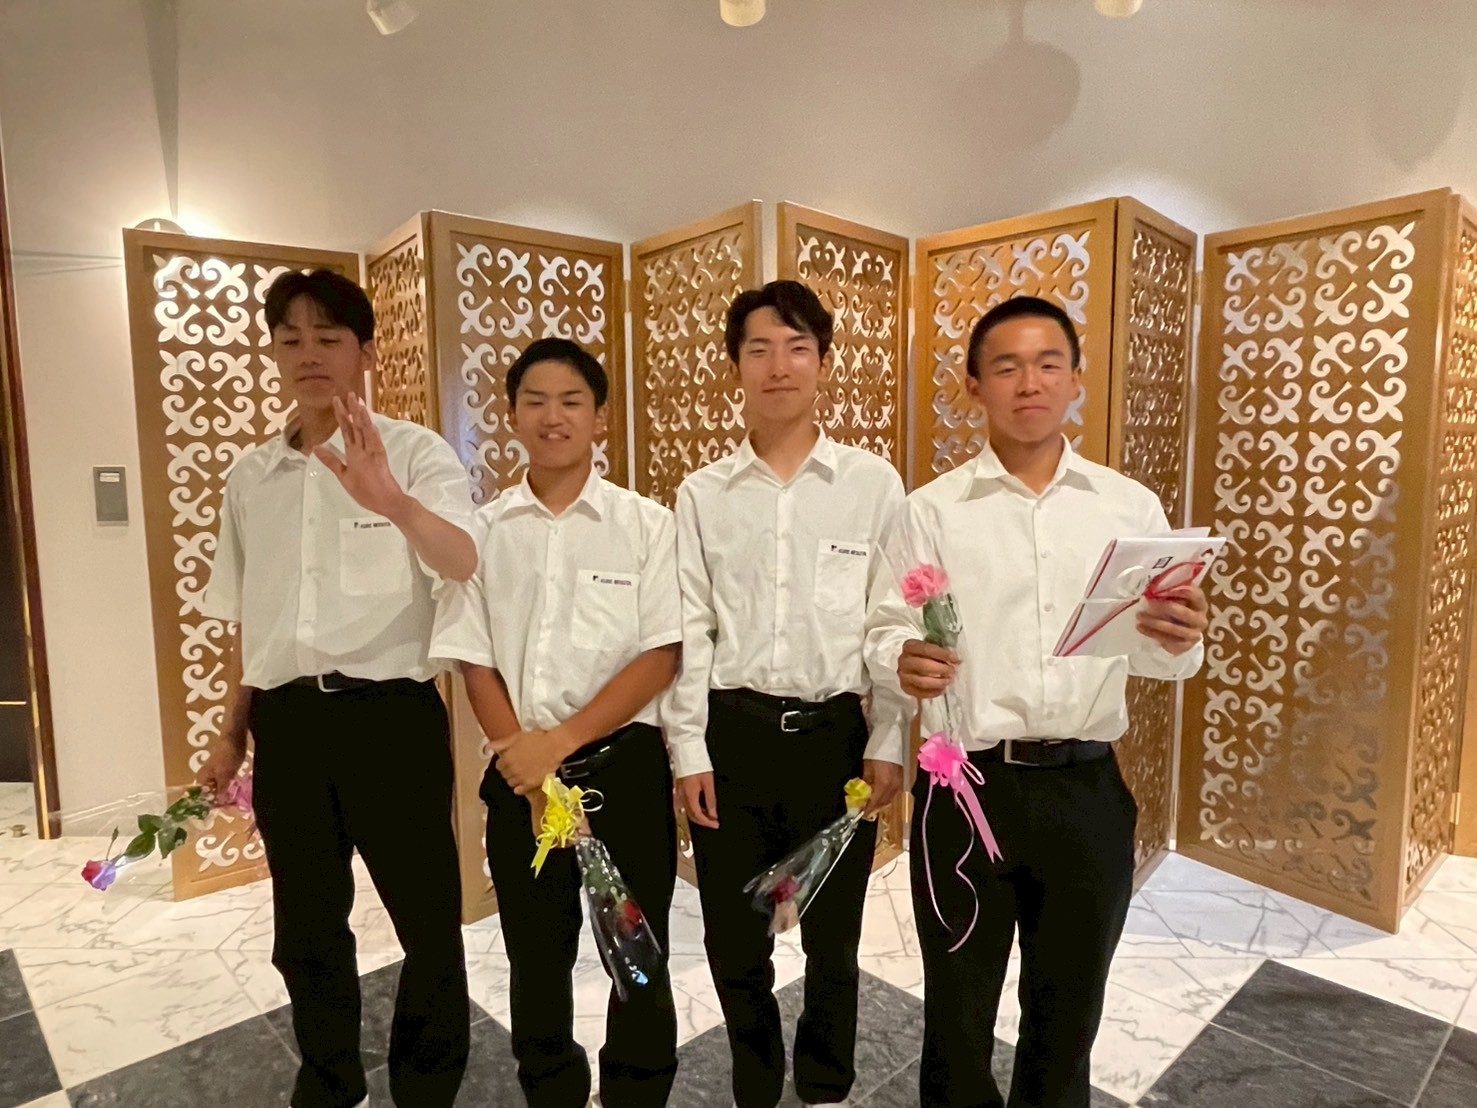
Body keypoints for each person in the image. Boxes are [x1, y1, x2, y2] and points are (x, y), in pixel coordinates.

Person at [865, 295, 1209, 1108]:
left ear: (1076, 379)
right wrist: (899, 658)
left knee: (1067, 1013)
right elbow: (883, 628)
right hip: (964, 792)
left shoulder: (1127, 507)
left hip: (1085, 790)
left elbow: (1162, 660)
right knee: (956, 1012)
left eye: (1048, 363)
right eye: (1007, 366)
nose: (1029, 383)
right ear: (973, 385)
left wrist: (1180, 637)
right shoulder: (930, 510)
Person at [199, 269, 476, 1108]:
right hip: (287, 723)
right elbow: (248, 617)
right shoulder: (251, 477)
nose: (308, 354)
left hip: (388, 718)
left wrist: (390, 499)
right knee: (306, 927)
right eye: (290, 339)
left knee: (427, 923)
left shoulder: (416, 454)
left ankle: (427, 1085)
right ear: (274, 351)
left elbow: (464, 562)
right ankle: (328, 1076)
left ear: (366, 352)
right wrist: (231, 730)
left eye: (328, 337)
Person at [666, 280, 909, 1108]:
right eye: (760, 349)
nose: (779, 366)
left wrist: (889, 741)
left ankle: (826, 1083)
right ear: (733, 365)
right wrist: (687, 751)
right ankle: (755, 1078)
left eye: (797, 348)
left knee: (833, 941)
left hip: (835, 739)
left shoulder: (872, 485)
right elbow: (691, 629)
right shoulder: (702, 493)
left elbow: (889, 620)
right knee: (736, 940)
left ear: (823, 363)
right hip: (732, 738)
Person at [431, 338, 682, 1108]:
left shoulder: (646, 525)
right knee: (536, 961)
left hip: (623, 774)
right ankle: (551, 1089)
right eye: (535, 401)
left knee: (635, 954)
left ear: (599, 417)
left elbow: (661, 653)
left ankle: (637, 1090)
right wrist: (526, 761)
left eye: (571, 401)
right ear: (512, 415)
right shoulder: (483, 531)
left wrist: (559, 745)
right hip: (520, 780)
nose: (553, 416)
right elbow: (473, 659)